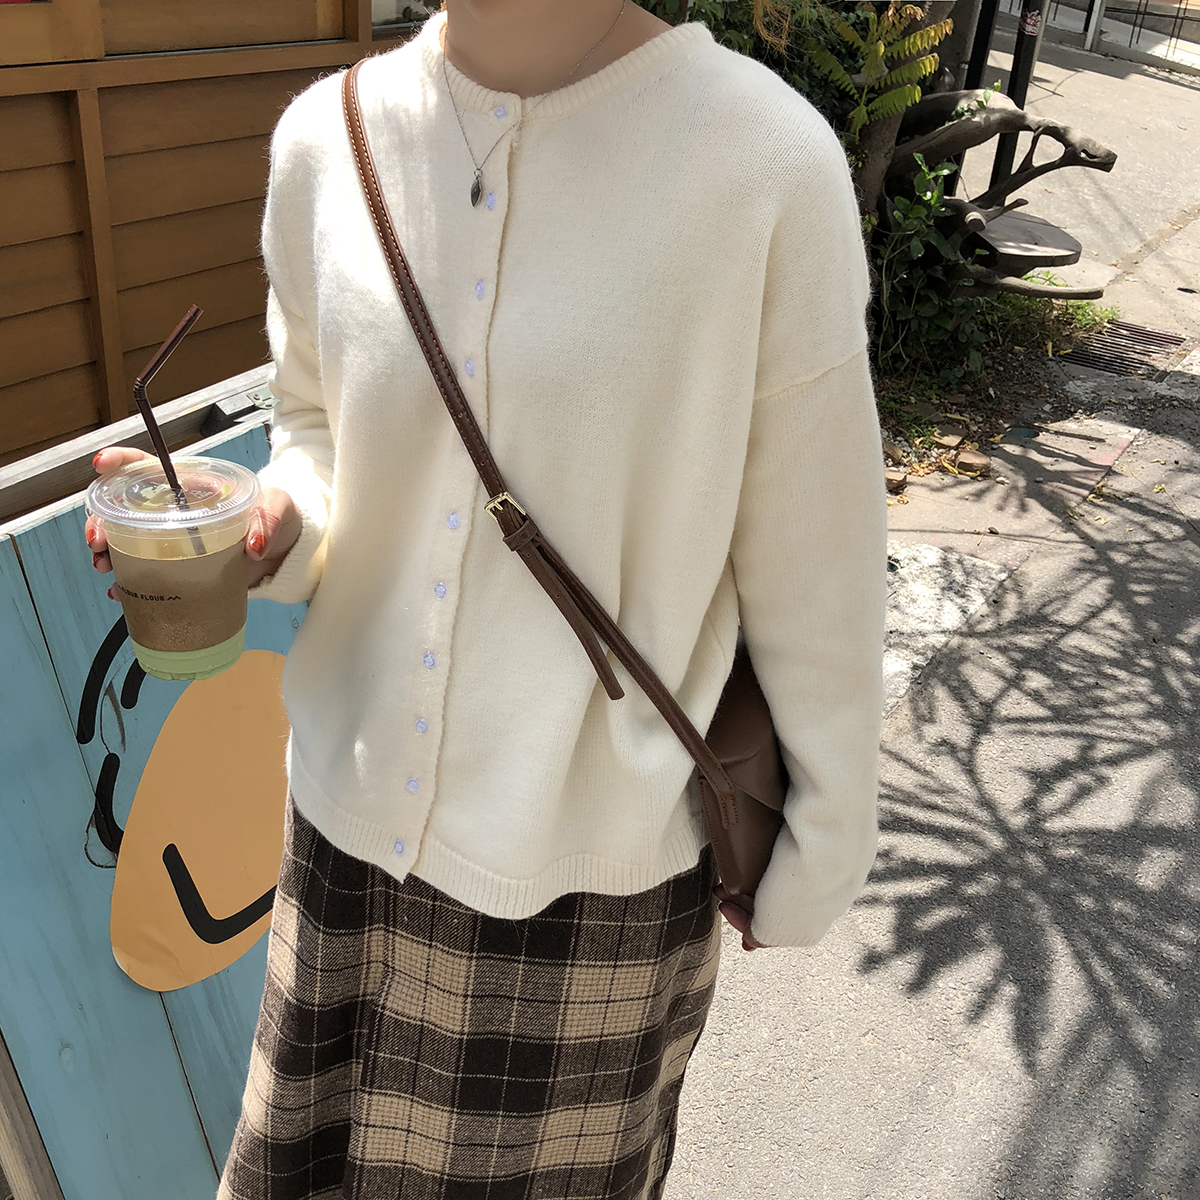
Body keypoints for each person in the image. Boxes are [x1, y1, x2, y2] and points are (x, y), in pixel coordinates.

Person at [85, 1, 887, 1195]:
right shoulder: (326, 139)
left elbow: (819, 560)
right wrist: (275, 526)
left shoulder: (762, 163)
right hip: (343, 842)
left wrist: (821, 845)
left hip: (586, 889)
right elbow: (312, 424)